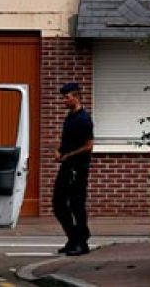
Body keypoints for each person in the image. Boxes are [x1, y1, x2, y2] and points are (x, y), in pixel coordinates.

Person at [52, 82, 94, 256]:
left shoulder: (84, 119)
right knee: (58, 203)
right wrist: (59, 151)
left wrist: (70, 155)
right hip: (67, 166)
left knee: (76, 204)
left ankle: (81, 242)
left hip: (78, 167)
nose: (64, 100)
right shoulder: (69, 117)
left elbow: (89, 145)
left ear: (76, 97)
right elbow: (66, 142)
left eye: (67, 97)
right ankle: (72, 237)